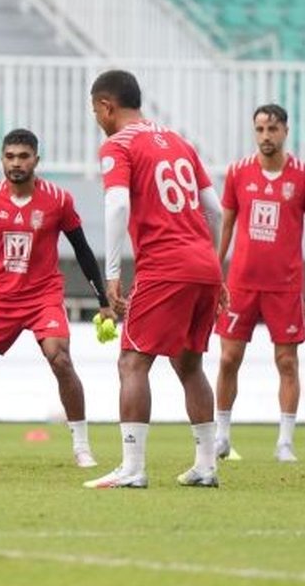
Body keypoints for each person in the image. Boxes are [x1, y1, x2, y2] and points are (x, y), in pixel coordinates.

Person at [83, 69, 225, 489]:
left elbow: (116, 205)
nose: (97, 119)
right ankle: (205, 465)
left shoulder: (117, 144)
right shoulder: (180, 142)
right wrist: (216, 268)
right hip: (204, 264)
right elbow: (214, 210)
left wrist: (112, 273)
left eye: (95, 111)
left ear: (106, 106)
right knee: (189, 363)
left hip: (165, 266)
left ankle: (132, 467)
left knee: (131, 361)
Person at [0, 128, 114, 469]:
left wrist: (103, 300)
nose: (16, 163)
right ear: (1, 159)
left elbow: (82, 249)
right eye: (10, 157)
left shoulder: (58, 199)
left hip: (43, 297)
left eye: (23, 156)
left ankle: (81, 445)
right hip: (0, 300)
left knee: (60, 358)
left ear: (36, 159)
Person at [213, 104, 305, 463]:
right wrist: (212, 272)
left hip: (285, 286)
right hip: (241, 284)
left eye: (272, 129)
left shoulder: (304, 176)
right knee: (228, 358)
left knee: (286, 362)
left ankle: (285, 442)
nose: (265, 136)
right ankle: (221, 436)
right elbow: (226, 226)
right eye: (259, 129)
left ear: (285, 131)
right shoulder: (238, 172)